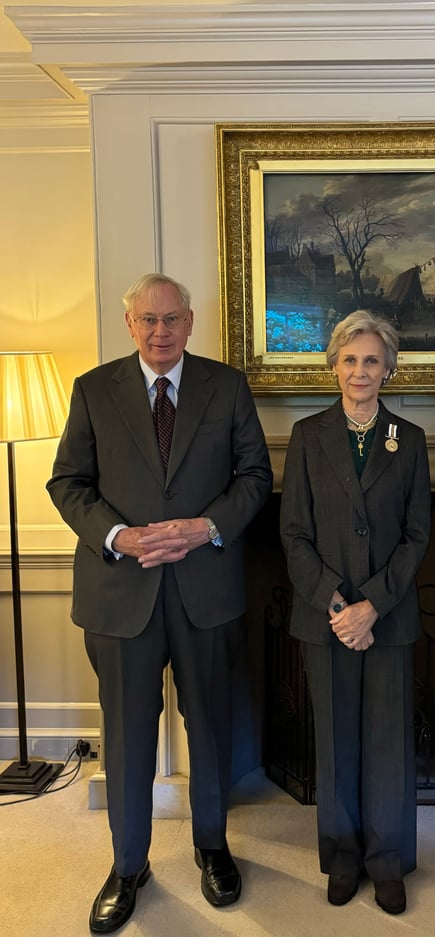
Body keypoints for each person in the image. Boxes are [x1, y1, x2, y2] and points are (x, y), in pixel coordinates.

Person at [47, 273, 272, 934]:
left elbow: (255, 474)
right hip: (121, 593)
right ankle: (127, 865)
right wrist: (119, 535)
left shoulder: (226, 386)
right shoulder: (94, 389)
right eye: (147, 320)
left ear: (190, 320)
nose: (160, 331)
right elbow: (68, 482)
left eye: (171, 318)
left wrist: (205, 526)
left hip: (207, 589)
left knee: (210, 726)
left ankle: (212, 846)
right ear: (130, 324)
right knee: (126, 733)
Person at [279, 309, 431, 915]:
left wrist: (373, 605)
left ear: (388, 368)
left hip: (388, 619)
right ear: (333, 367)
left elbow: (418, 536)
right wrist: (339, 604)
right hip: (326, 617)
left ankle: (387, 861)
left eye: (372, 360)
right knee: (336, 742)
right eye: (350, 359)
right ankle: (342, 857)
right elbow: (292, 534)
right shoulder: (308, 435)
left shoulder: (410, 440)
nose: (360, 370)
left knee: (388, 745)